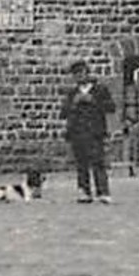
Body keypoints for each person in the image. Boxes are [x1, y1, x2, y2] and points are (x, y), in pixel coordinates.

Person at [60, 61, 116, 204]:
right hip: (77, 132)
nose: (78, 77)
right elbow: (63, 112)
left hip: (95, 132)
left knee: (98, 162)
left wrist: (93, 101)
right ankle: (84, 192)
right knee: (81, 164)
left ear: (87, 73)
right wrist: (74, 103)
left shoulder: (100, 90)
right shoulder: (73, 93)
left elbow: (111, 107)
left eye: (81, 73)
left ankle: (103, 192)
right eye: (75, 74)